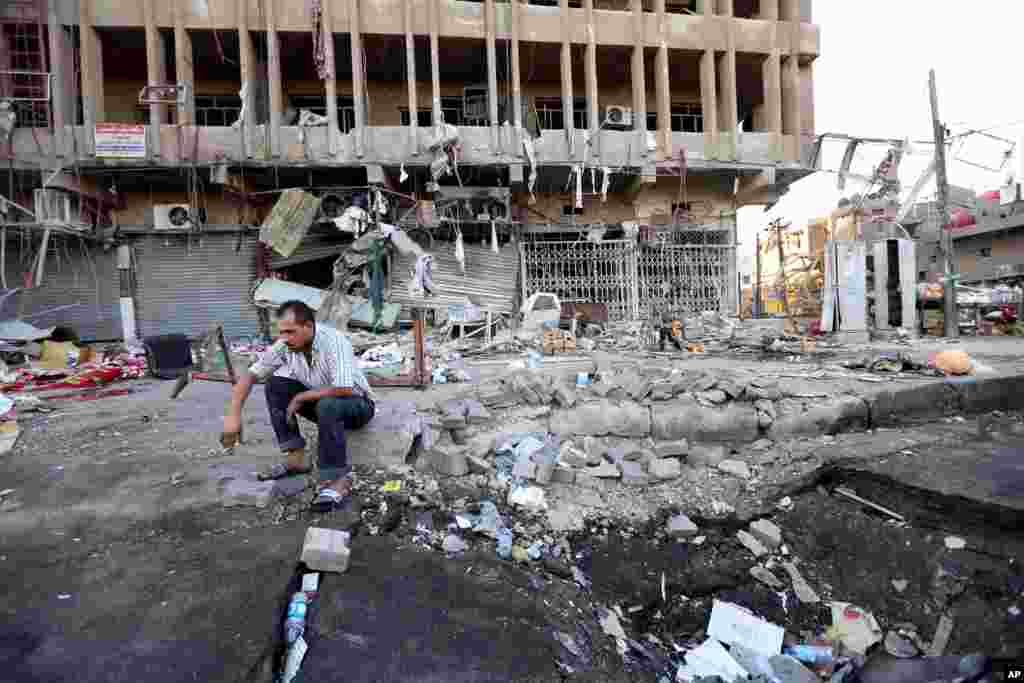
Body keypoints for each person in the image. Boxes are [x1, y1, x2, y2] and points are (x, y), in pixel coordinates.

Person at [221, 300, 375, 511]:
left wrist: (302, 397)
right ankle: (296, 459)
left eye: (290, 332)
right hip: (323, 403)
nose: (284, 338)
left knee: (328, 405)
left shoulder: (334, 341)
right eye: (281, 332)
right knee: (275, 385)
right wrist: (233, 416)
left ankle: (336, 479)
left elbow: (345, 389)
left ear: (308, 327)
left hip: (357, 406)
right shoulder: (286, 345)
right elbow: (250, 376)